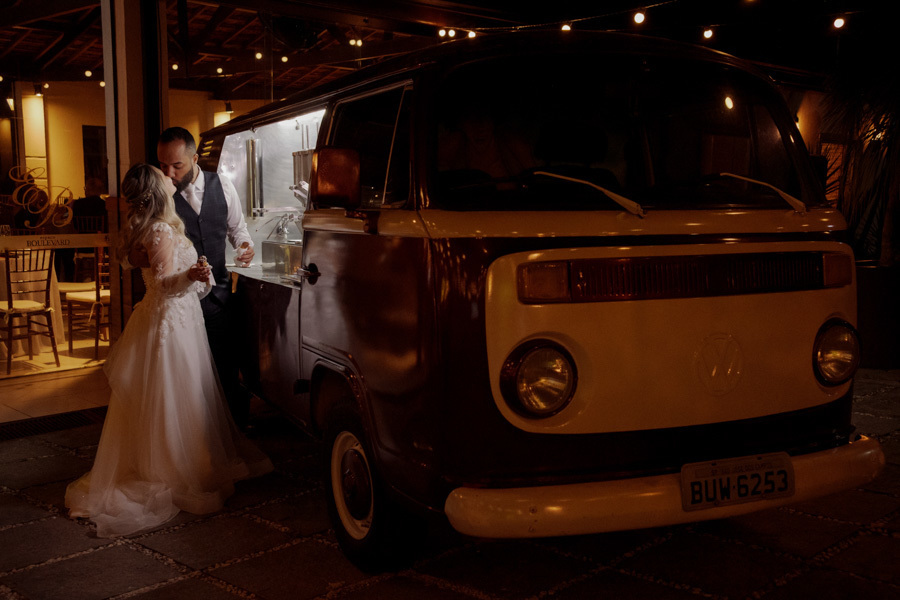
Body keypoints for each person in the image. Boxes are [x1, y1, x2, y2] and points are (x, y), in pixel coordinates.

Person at [65, 164, 272, 538]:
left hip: (182, 318)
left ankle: (191, 462)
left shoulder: (164, 225)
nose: (168, 175)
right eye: (162, 173)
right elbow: (162, 285)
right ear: (158, 190)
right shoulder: (159, 229)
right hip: (167, 324)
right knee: (171, 396)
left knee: (186, 395)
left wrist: (199, 277)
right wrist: (190, 276)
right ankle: (171, 470)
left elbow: (177, 280)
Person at [156, 127, 254, 427]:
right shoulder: (160, 196)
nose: (169, 173)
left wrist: (245, 247)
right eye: (163, 165)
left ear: (195, 158)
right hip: (180, 301)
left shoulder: (222, 185)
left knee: (225, 366)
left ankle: (230, 433)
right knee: (189, 373)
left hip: (219, 296)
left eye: (177, 165)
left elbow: (238, 230)